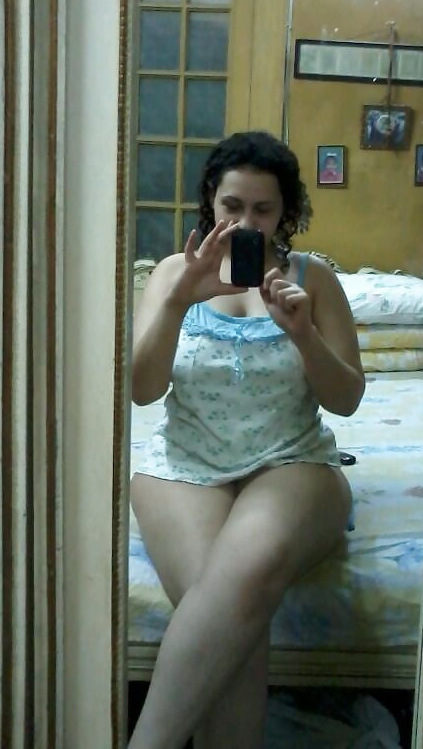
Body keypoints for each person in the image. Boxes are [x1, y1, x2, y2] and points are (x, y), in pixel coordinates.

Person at [129, 130, 365, 749]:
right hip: (184, 465)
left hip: (291, 463)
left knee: (246, 572)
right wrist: (178, 302)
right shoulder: (173, 273)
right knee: (230, 613)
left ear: (285, 213)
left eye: (263, 209)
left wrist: (304, 334)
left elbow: (346, 398)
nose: (245, 223)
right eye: (232, 206)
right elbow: (142, 390)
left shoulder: (315, 280)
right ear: (211, 200)